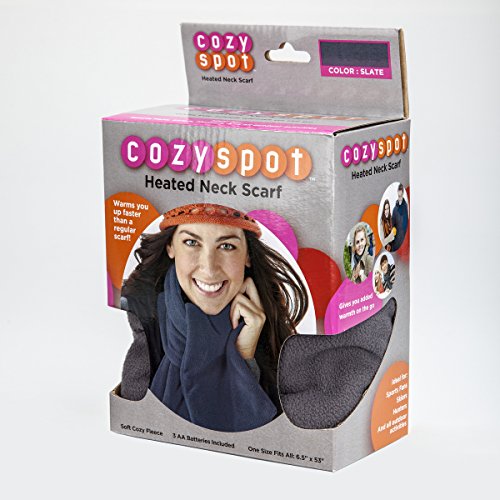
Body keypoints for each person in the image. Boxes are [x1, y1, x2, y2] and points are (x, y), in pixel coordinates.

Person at [119, 203, 309, 432]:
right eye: (191, 242)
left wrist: (244, 356)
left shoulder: (273, 331)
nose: (209, 269)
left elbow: (274, 437)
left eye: (227, 246)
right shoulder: (141, 311)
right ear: (171, 247)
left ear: (248, 255)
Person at [391, 183, 409, 251]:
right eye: (399, 196)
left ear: (403, 193)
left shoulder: (405, 207)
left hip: (403, 238)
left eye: (401, 196)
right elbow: (393, 222)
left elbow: (406, 223)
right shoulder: (395, 209)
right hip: (396, 238)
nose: (400, 198)